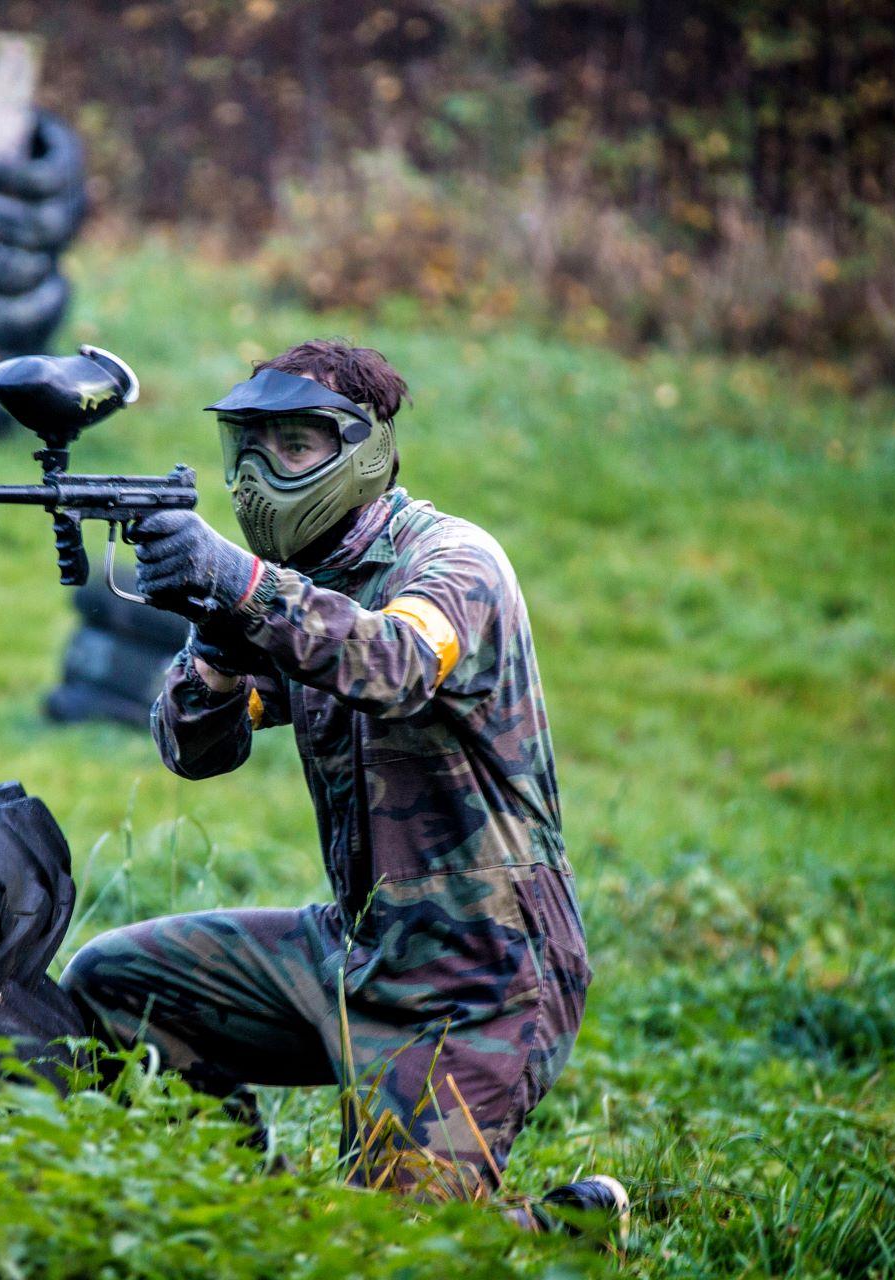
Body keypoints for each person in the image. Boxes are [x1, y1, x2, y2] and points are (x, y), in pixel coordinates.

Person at [60, 339, 625, 1229]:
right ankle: (239, 1204)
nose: (257, 475)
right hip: (360, 950)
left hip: (479, 978)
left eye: (293, 447)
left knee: (378, 1250)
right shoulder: (302, 589)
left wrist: (242, 585)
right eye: (245, 448)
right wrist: (214, 640)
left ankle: (566, 1232)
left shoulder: (453, 565)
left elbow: (394, 662)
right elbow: (199, 751)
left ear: (364, 450)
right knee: (115, 983)